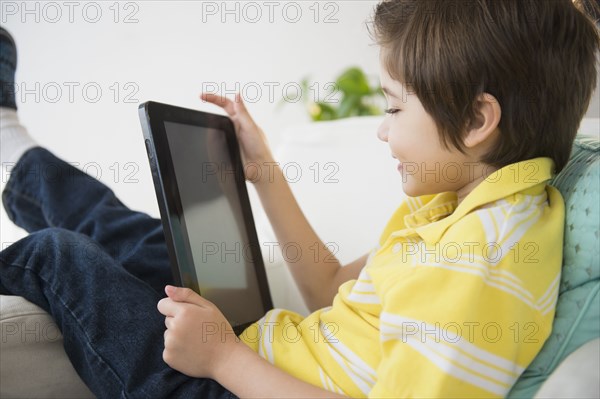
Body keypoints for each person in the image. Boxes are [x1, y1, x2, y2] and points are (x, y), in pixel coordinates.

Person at [0, 0, 598, 397]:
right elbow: (329, 289)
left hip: (227, 387)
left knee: (59, 256)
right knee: (148, 237)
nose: (382, 129)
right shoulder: (459, 211)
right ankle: (12, 151)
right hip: (258, 352)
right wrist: (265, 174)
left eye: (392, 107)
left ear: (475, 120)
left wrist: (223, 361)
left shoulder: (477, 260)